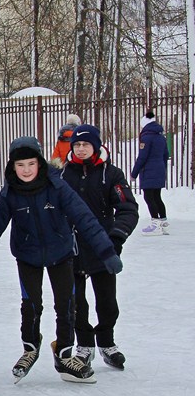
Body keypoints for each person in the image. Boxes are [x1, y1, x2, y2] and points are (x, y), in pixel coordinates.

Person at [0, 136, 123, 384]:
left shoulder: (57, 186)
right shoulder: (10, 193)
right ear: (12, 166)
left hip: (60, 254)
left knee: (66, 304)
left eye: (31, 163)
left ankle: (64, 354)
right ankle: (30, 348)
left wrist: (107, 252)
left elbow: (85, 219)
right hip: (27, 255)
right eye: (20, 165)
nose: (26, 170)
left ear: (39, 162)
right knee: (30, 305)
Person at [58, 124, 138, 370]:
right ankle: (84, 344)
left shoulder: (111, 174)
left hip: (103, 247)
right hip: (71, 249)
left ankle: (106, 341)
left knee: (106, 300)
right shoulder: (62, 175)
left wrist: (116, 238)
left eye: (86, 145)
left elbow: (127, 208)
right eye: (77, 145)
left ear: (96, 146)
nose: (81, 149)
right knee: (76, 302)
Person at [131, 110, 171, 235]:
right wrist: (162, 168)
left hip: (148, 170)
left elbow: (142, 156)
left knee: (148, 196)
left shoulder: (147, 137)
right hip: (159, 169)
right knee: (157, 196)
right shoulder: (161, 136)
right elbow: (166, 155)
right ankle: (163, 223)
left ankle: (155, 225)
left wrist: (134, 173)